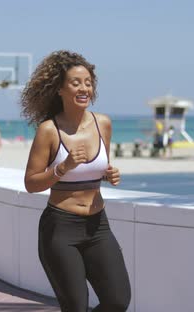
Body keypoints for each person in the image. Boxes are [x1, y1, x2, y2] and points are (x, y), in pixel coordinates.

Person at [20, 50, 131, 312]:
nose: (84, 88)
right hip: (60, 229)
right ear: (60, 89)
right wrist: (62, 167)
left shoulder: (103, 123)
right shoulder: (49, 130)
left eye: (88, 82)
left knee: (117, 300)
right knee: (76, 307)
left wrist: (109, 174)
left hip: (98, 226)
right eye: (76, 82)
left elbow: (97, 169)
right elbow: (31, 183)